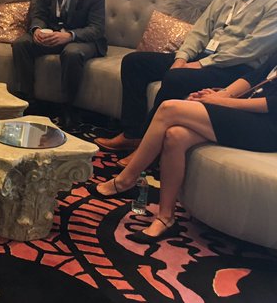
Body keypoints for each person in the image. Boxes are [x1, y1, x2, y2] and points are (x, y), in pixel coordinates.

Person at [97, 0, 277, 166]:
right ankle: (132, 134)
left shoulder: (274, 3)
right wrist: (182, 58)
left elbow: (251, 48)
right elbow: (199, 32)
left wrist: (201, 64)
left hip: (236, 69)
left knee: (177, 78)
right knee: (135, 62)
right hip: (205, 58)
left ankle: (148, 147)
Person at [88, 52, 277, 243]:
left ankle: (126, 180)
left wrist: (222, 102)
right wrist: (221, 94)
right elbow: (254, 76)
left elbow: (272, 105)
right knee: (175, 136)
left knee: (169, 109)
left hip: (267, 128)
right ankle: (166, 218)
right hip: (250, 112)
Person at [11, 0, 107, 126]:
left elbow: (97, 28)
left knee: (72, 53)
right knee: (21, 43)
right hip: (52, 34)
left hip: (81, 39)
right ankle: (28, 100)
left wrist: (70, 35)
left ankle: (68, 107)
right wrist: (37, 29)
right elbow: (39, 15)